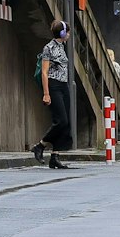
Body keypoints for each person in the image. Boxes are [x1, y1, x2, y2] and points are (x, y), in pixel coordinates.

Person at [33, 20, 71, 169]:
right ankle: (40, 145)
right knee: (61, 121)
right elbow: (44, 72)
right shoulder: (48, 48)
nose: (68, 34)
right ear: (62, 33)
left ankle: (55, 156)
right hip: (53, 85)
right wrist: (46, 93)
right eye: (67, 31)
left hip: (63, 85)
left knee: (64, 122)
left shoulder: (62, 47)